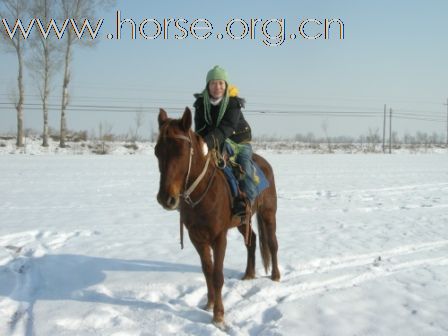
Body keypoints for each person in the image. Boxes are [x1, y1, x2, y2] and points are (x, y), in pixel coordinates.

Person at [193, 65, 257, 219]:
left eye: (221, 83)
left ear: (226, 85)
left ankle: (246, 201)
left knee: (245, 166)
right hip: (213, 141)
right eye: (213, 83)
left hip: (238, 140)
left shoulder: (233, 103)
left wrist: (206, 144)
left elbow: (226, 127)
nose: (217, 87)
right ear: (208, 85)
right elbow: (200, 128)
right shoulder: (201, 104)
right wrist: (199, 143)